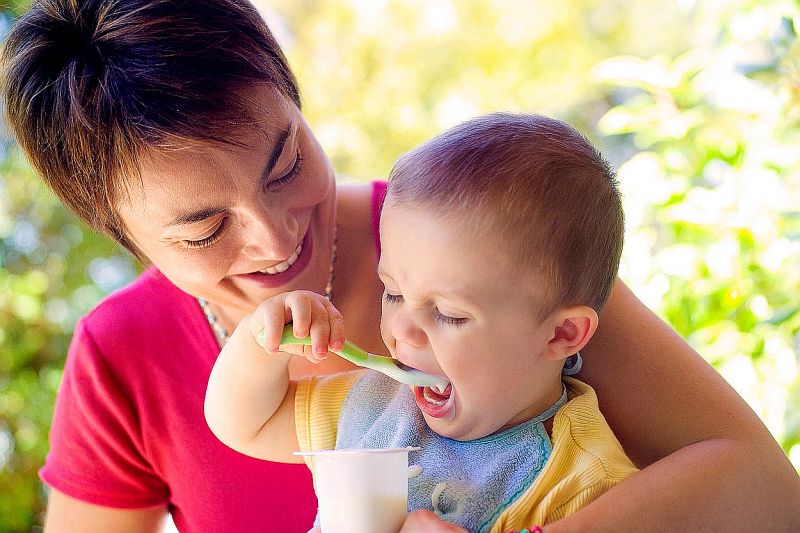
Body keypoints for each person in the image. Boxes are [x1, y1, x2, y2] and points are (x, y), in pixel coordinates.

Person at [1, 1, 797, 532]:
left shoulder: (483, 237)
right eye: (206, 228)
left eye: (286, 163)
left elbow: (764, 490)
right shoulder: (122, 354)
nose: (277, 241)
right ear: (124, 236)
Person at [205, 113, 641, 531]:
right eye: (392, 293)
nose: (401, 330)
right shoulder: (378, 407)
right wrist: (259, 340)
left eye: (448, 314)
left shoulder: (584, 482)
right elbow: (245, 426)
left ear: (562, 334)